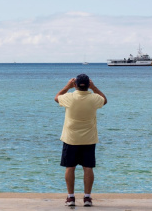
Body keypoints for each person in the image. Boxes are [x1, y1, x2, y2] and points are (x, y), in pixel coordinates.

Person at [54, 74, 107, 207]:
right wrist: (94, 87)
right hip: (89, 139)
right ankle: (87, 198)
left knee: (70, 167)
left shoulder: (69, 97)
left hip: (70, 138)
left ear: (75, 85)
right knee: (88, 168)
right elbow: (104, 100)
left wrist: (67, 86)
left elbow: (56, 97)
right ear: (88, 85)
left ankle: (71, 197)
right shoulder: (94, 98)